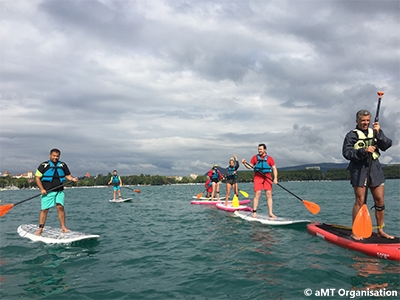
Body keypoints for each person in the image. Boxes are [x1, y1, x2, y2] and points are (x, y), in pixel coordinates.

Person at [342, 109, 393, 240]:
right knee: (360, 201)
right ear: (357, 121)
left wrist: (379, 132)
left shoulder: (374, 132)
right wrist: (363, 151)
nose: (365, 123)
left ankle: (381, 230)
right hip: (359, 169)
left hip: (375, 169)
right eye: (363, 120)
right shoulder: (351, 135)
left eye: (367, 121)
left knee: (380, 201)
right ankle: (356, 231)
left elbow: (386, 145)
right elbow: (347, 153)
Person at [34, 148, 78, 235]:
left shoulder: (62, 165)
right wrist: (41, 189)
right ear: (50, 155)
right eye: (54, 156)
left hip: (59, 191)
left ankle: (63, 227)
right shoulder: (44, 165)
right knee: (45, 210)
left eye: (57, 156)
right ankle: (40, 229)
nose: (55, 157)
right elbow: (37, 178)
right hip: (47, 191)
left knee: (60, 208)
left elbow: (68, 176)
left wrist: (73, 179)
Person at [242, 143, 278, 218]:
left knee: (269, 194)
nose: (259, 151)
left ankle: (270, 213)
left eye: (261, 149)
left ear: (265, 150)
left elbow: (274, 168)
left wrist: (275, 178)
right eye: (258, 149)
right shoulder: (255, 158)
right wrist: (245, 163)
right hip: (258, 177)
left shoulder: (270, 158)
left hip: (267, 177)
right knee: (257, 194)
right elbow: (249, 167)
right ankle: (254, 212)